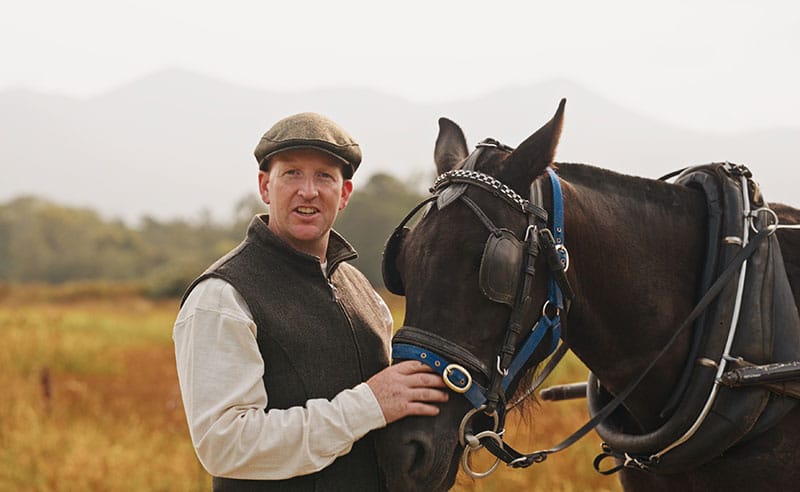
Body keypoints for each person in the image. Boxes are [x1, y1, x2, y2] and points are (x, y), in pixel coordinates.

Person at [173, 112, 448, 491]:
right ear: (265, 187)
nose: (308, 190)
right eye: (291, 174)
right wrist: (367, 406)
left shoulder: (363, 292)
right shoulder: (221, 296)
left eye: (324, 176)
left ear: (344, 194)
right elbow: (224, 444)